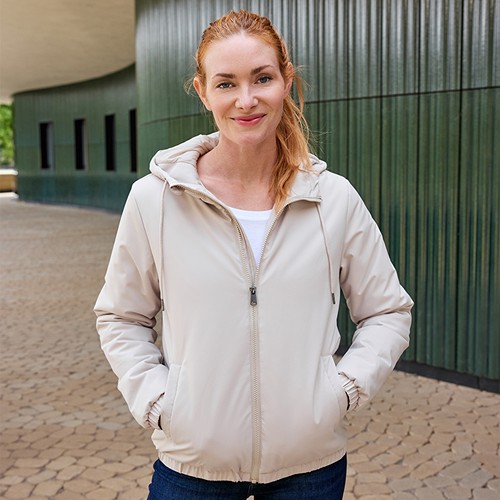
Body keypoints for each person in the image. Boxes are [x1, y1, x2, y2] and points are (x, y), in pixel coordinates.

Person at [94, 9, 413, 500]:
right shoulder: (154, 200)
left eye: (262, 78)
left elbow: (387, 311)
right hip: (193, 465)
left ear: (286, 81)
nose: (246, 100)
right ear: (203, 92)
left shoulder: (333, 198)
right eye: (226, 83)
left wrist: (343, 390)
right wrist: (159, 401)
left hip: (310, 467)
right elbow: (121, 316)